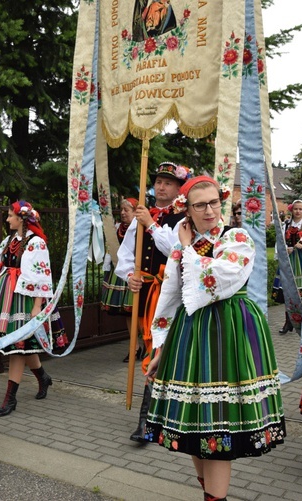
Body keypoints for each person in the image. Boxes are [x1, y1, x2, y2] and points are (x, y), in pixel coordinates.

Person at [145, 175, 285, 501]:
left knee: (218, 425)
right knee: (193, 428)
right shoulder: (184, 249)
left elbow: (220, 276)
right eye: (200, 205)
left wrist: (184, 248)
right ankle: (208, 493)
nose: (209, 210)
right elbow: (170, 298)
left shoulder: (236, 237)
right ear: (187, 210)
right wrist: (160, 348)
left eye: (213, 202)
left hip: (229, 334)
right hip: (190, 336)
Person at [115, 161, 191, 443]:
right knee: (151, 348)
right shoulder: (143, 216)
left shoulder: (183, 218)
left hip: (172, 293)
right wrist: (130, 277)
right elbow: (126, 255)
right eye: (158, 181)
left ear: (179, 188)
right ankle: (149, 419)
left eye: (168, 183)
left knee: (163, 349)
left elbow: (175, 250)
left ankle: (151, 420)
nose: (161, 186)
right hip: (147, 292)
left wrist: (151, 224)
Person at [0, 201, 65, 416]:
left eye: (10, 216)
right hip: (7, 294)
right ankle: (43, 377)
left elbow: (42, 274)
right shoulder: (9, 240)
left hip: (25, 298)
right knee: (22, 346)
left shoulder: (36, 243)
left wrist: (37, 306)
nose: (7, 219)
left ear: (22, 218)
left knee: (18, 346)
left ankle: (10, 398)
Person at [99, 197, 138, 361]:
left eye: (126, 210)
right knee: (127, 314)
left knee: (138, 312)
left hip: (135, 274)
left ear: (136, 212)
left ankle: (145, 346)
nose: (123, 213)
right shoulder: (118, 228)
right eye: (121, 210)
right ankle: (134, 347)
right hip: (120, 273)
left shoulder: (140, 228)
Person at [275, 200, 302, 334]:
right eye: (295, 209)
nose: (297, 211)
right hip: (289, 260)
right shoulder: (285, 225)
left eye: (300, 209)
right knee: (288, 290)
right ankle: (288, 321)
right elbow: (279, 242)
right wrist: (285, 249)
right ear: (292, 210)